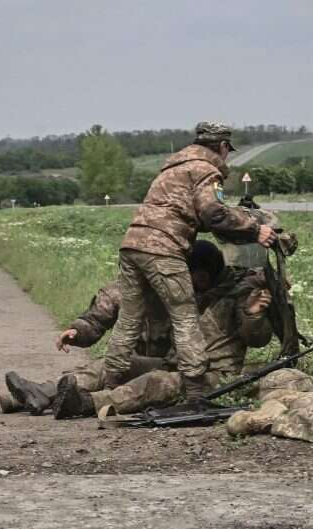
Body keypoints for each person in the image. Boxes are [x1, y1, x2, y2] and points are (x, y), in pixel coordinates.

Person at [101, 122, 276, 401]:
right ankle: (195, 391)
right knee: (185, 317)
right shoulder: (207, 170)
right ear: (222, 147)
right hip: (163, 249)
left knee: (129, 319)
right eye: (227, 151)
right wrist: (256, 229)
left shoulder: (172, 168)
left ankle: (110, 383)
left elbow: (191, 215)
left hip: (132, 243)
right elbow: (214, 213)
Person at [0, 241, 232, 415]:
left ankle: (54, 400)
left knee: (151, 381)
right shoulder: (125, 290)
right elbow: (97, 316)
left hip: (171, 368)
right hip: (140, 360)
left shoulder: (200, 296)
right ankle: (42, 392)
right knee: (104, 366)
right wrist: (77, 332)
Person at [53, 248, 276, 419]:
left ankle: (87, 402)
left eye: (203, 274)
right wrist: (79, 330)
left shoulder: (238, 293)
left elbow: (257, 338)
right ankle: (50, 392)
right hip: (170, 362)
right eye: (193, 274)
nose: (198, 281)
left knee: (156, 382)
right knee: (114, 363)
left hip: (208, 373)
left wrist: (252, 313)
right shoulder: (178, 291)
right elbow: (108, 304)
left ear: (214, 270)